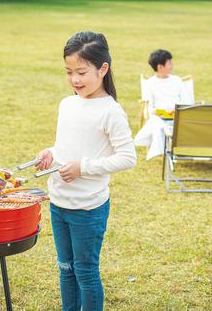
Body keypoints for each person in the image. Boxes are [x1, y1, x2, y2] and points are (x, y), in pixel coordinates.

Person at [35, 31, 137, 311]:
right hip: (59, 203)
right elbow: (64, 146)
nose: (74, 80)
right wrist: (50, 153)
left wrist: (84, 168)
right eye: (69, 72)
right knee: (65, 268)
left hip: (88, 208)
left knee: (85, 271)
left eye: (81, 72)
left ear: (103, 69)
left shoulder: (111, 111)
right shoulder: (67, 104)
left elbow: (128, 158)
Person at [134, 49, 191, 160]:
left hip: (178, 116)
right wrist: (160, 112)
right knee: (156, 122)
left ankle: (157, 150)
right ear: (160, 67)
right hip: (159, 117)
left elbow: (187, 102)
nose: (172, 65)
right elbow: (149, 108)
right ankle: (160, 149)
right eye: (169, 63)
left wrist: (176, 110)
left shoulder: (177, 81)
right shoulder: (150, 83)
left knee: (157, 125)